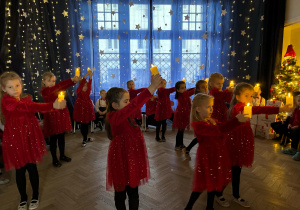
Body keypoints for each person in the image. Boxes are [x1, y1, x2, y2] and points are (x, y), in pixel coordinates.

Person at [105, 74, 162, 210]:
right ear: (114, 105)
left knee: (134, 193)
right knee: (120, 194)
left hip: (132, 158)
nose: (129, 104)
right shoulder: (113, 117)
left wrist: (151, 91)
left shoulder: (127, 116)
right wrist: (151, 88)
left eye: (128, 101)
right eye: (126, 101)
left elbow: (134, 105)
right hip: (120, 159)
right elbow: (135, 104)